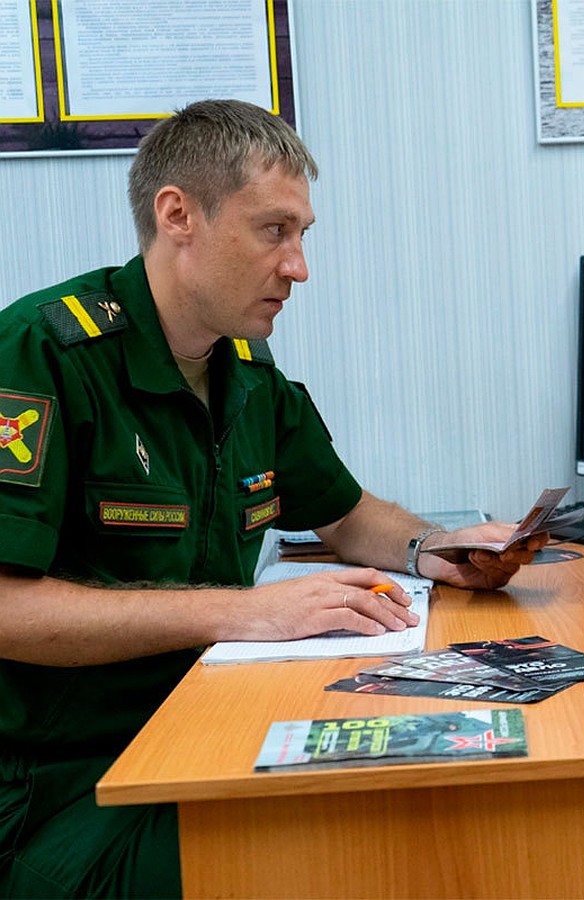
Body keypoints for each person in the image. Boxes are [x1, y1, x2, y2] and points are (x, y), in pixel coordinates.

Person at [0, 99, 545, 898]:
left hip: (199, 733)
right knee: (360, 858)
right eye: (274, 231)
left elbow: (346, 511)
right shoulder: (43, 356)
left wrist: (435, 547)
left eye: (302, 236)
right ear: (178, 214)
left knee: (433, 796)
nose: (298, 267)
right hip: (63, 789)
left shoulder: (247, 373)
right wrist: (243, 612)